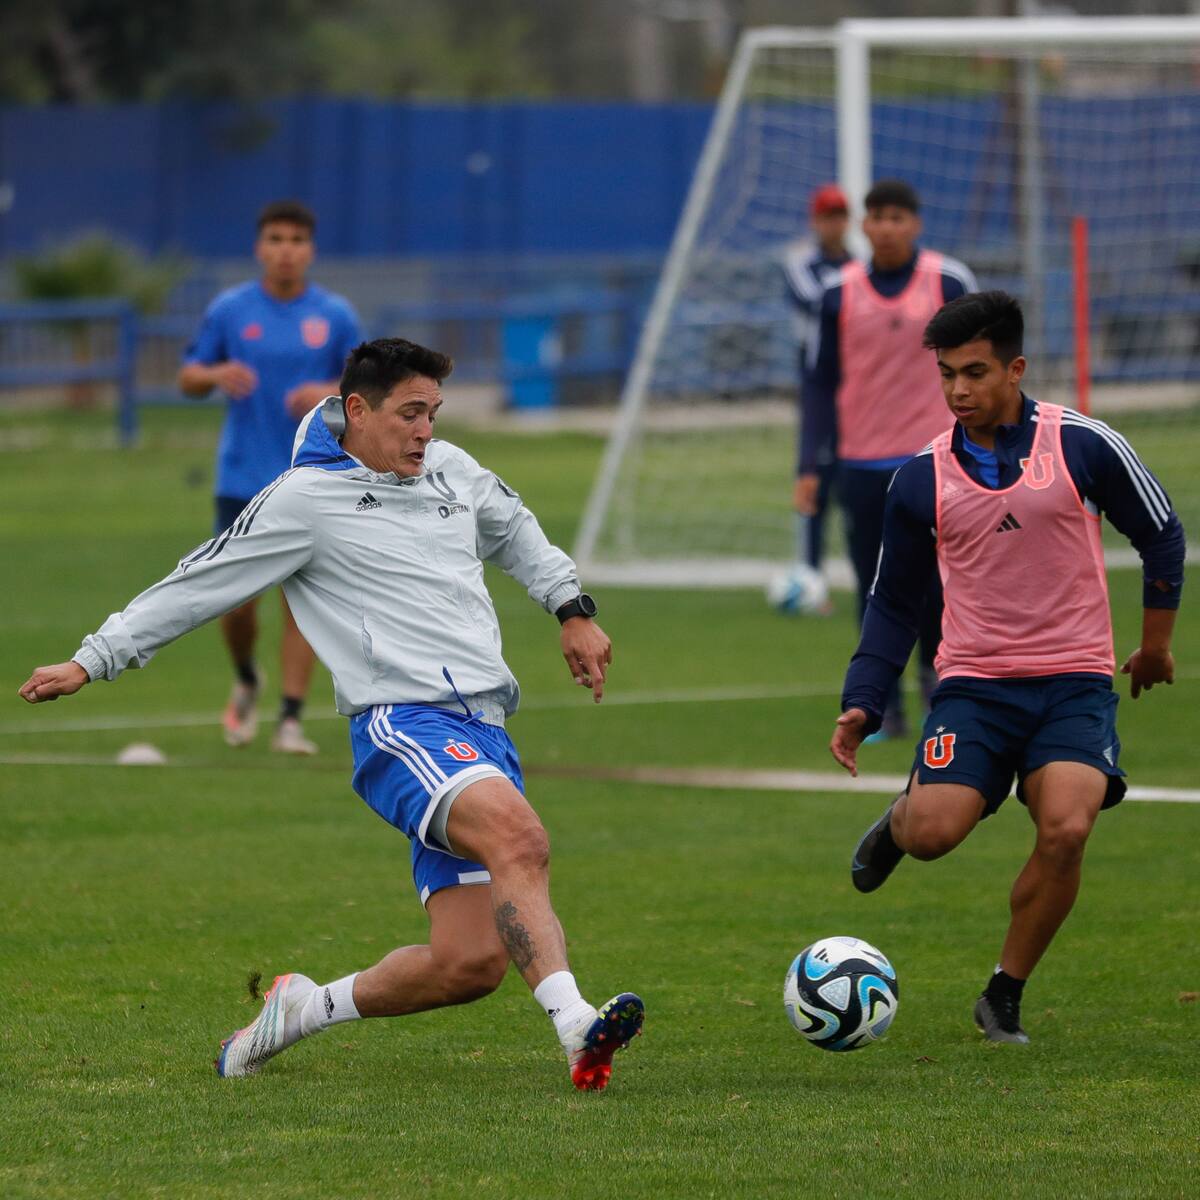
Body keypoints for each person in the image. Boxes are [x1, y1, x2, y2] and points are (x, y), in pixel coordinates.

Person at [19, 337, 644, 1091]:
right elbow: (198, 582)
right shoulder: (304, 500)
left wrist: (571, 608)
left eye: (434, 414)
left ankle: (303, 1008)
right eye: (411, 414)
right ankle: (579, 1029)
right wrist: (94, 658)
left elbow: (516, 531)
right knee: (521, 838)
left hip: (484, 728)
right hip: (403, 727)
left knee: (469, 965)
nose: (426, 431)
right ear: (358, 409)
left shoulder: (452, 470)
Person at [830, 291, 1184, 1044]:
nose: (959, 390)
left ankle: (1004, 994)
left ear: (1016, 368)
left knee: (1064, 830)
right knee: (933, 834)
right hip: (974, 688)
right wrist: (863, 699)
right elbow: (893, 603)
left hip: (1074, 684)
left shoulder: (1083, 445)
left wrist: (1155, 646)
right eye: (947, 375)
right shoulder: (921, 478)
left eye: (976, 372)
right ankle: (899, 820)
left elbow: (1162, 534)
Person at [178, 199, 364, 756]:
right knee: (235, 604)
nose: (287, 250)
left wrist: (329, 390)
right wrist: (213, 373)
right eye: (277, 239)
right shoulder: (231, 309)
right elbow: (187, 375)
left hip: (313, 478)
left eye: (297, 240)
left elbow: (366, 388)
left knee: (302, 601)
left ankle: (288, 718)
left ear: (311, 249)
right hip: (242, 479)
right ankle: (246, 677)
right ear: (260, 248)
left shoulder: (335, 315)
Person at [799, 179, 977, 736]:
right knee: (874, 585)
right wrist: (809, 464)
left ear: (916, 223)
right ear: (865, 226)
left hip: (940, 463)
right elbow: (818, 385)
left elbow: (983, 366)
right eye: (878, 217)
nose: (888, 227)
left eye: (899, 216)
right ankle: (878, 704)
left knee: (940, 584)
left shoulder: (948, 282)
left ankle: (935, 683)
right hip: (863, 466)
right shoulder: (837, 293)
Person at [782, 183, 853, 580]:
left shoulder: (859, 266)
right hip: (819, 378)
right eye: (827, 215)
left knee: (858, 477)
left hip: (860, 382)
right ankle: (809, 571)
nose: (834, 223)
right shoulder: (801, 264)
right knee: (813, 470)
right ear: (815, 221)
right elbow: (819, 301)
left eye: (840, 215)